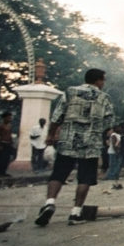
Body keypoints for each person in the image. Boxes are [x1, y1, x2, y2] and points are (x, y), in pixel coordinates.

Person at [35, 68, 115, 227]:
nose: (103, 84)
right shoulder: (104, 97)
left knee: (58, 174)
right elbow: (108, 122)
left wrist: (51, 135)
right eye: (103, 80)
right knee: (85, 178)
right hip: (90, 144)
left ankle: (49, 203)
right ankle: (75, 213)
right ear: (98, 81)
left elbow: (57, 116)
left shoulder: (70, 92)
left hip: (68, 140)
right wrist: (100, 131)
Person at [0, 112, 15, 177]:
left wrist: (11, 142)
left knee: (6, 159)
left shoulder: (10, 125)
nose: (10, 119)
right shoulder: (0, 126)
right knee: (0, 159)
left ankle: (3, 172)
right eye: (8, 118)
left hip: (8, 143)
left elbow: (9, 135)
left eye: (10, 118)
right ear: (4, 118)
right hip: (2, 143)